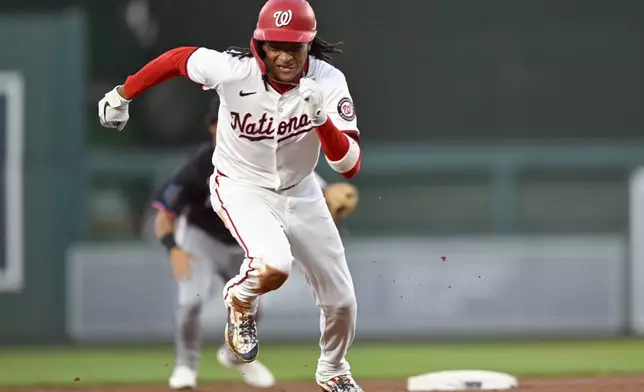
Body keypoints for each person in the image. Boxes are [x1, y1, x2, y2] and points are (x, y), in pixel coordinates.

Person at [98, 0, 365, 390]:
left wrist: (321, 121)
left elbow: (349, 165)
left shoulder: (327, 81)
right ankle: (240, 298)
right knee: (274, 266)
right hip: (242, 186)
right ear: (260, 45)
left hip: (301, 190)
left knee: (341, 300)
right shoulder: (233, 68)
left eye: (295, 46)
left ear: (309, 45)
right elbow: (177, 59)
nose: (286, 55)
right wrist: (124, 93)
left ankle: (333, 370)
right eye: (276, 45)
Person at [145, 96, 359, 390]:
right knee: (190, 302)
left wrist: (330, 198)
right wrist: (174, 249)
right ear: (213, 128)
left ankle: (236, 359)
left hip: (242, 241)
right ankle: (185, 367)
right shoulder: (199, 165)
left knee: (253, 306)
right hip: (201, 240)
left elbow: (313, 194)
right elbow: (164, 214)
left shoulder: (267, 155)